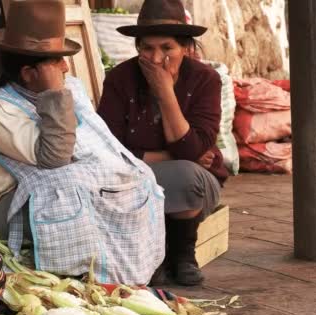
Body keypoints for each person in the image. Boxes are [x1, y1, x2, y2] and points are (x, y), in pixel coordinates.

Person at [0, 0, 165, 285]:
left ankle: (123, 272)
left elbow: (93, 145)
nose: (66, 66)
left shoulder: (66, 88)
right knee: (76, 194)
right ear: (29, 73)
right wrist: (54, 92)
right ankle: (85, 277)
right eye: (55, 61)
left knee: (135, 177)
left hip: (38, 191)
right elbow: (55, 156)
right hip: (1, 210)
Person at [97, 0, 228, 286]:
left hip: (193, 183)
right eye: (147, 48)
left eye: (167, 48)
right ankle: (156, 256)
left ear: (186, 48)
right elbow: (109, 148)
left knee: (185, 175)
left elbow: (193, 149)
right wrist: (171, 157)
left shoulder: (205, 80)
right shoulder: (120, 79)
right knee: (161, 172)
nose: (156, 59)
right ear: (138, 48)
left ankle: (182, 256)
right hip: (132, 178)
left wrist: (165, 91)